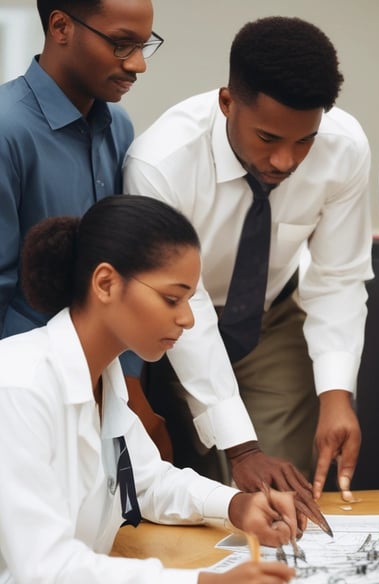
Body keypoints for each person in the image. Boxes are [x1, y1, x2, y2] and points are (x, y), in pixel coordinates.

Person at [123, 16, 372, 505]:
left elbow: (338, 277)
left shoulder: (344, 148)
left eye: (304, 140)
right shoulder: (159, 163)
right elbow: (184, 302)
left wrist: (337, 394)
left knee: (283, 495)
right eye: (268, 139)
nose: (286, 161)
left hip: (272, 318)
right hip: (176, 321)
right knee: (200, 494)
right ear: (227, 103)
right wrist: (242, 448)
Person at [0, 195, 300, 583]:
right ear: (106, 283)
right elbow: (44, 568)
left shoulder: (104, 381)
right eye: (172, 298)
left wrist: (236, 505)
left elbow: (144, 482)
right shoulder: (18, 386)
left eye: (189, 300)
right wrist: (202, 581)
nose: (188, 319)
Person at [0, 0, 170, 456]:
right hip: (25, 391)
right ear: (61, 27)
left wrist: (125, 385)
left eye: (144, 45)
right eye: (121, 44)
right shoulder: (6, 128)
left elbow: (122, 268)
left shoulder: (119, 126)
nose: (137, 64)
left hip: (102, 380)